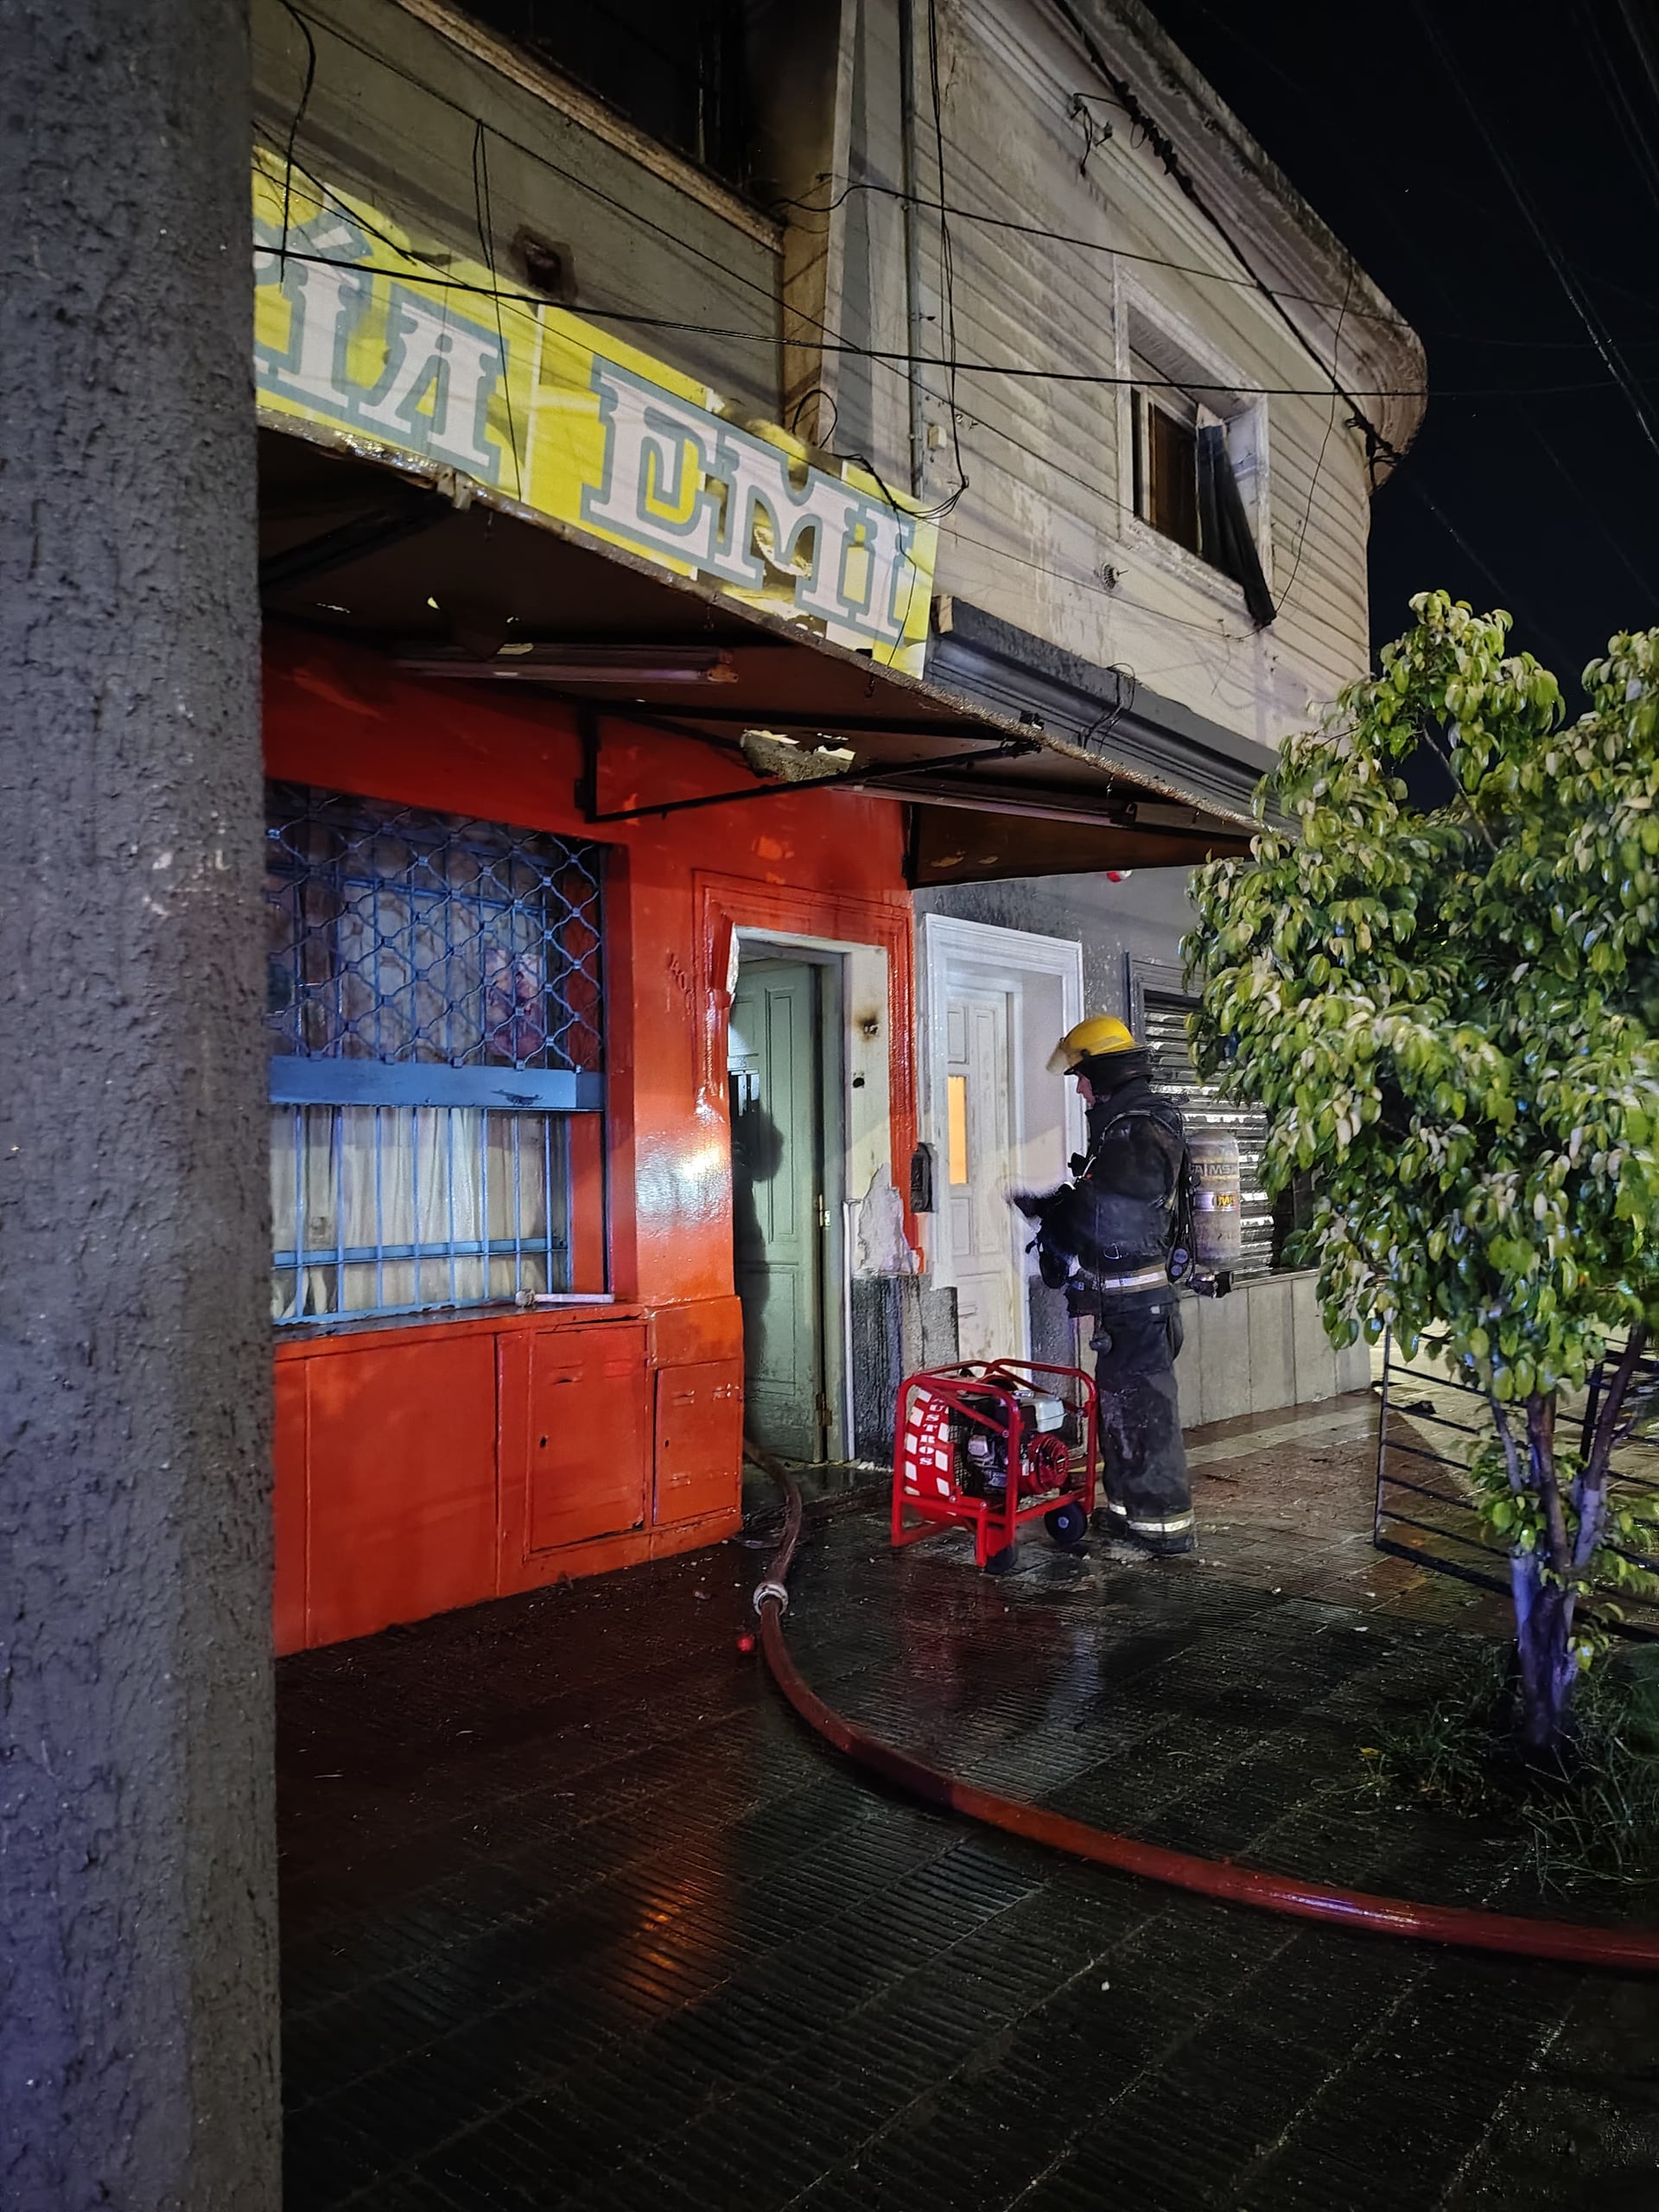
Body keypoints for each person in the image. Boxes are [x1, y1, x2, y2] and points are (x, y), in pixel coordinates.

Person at [1013, 1015, 1195, 1554]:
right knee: (1120, 1410)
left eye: (1083, 1076)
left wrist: (1059, 1223)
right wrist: (1055, 1210)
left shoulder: (1140, 1129)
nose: (1079, 1087)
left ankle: (1164, 1529)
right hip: (1126, 1309)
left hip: (1141, 1307)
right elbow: (1102, 1199)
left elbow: (1113, 1213)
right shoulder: (1124, 1128)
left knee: (1145, 1415)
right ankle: (1126, 1514)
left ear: (1105, 1073)